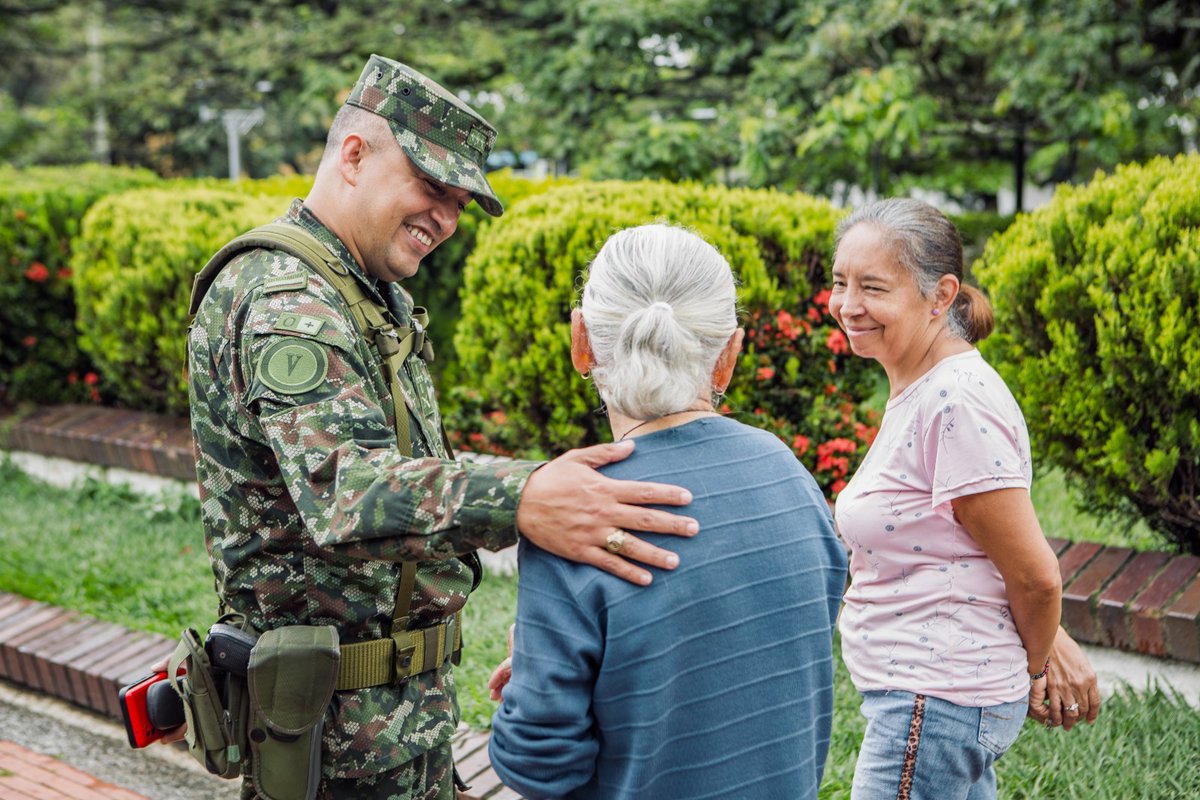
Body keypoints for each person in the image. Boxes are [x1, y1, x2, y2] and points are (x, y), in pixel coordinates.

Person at [184, 55, 699, 800]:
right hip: (330, 739)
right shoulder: (287, 298)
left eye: (460, 201)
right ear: (354, 155)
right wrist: (527, 497)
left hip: (393, 725)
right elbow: (347, 491)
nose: (447, 219)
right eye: (431, 188)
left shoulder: (365, 290)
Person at [487, 224, 849, 799]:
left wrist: (530, 679)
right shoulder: (789, 475)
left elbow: (539, 767)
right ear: (728, 355)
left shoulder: (575, 516)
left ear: (581, 341)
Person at [828, 197, 1093, 800]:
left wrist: (1033, 666)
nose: (848, 305)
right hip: (933, 699)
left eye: (873, 287)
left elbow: (1035, 575)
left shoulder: (955, 400)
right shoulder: (925, 389)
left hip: (933, 700)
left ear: (941, 294)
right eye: (840, 283)